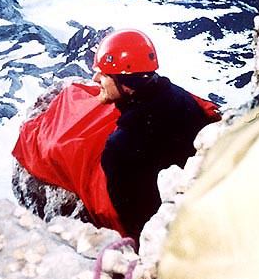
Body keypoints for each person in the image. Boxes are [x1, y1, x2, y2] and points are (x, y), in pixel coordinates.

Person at [92, 28, 220, 241]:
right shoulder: (178, 96)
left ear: (127, 82)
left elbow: (135, 221)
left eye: (104, 74)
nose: (96, 78)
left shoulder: (120, 147)